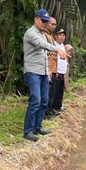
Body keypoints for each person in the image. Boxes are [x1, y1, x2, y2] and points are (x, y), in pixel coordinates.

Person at [23, 9, 68, 141]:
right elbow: (42, 45)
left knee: (44, 101)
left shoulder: (42, 34)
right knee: (35, 100)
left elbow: (44, 55)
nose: (45, 24)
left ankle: (38, 127)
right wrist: (58, 49)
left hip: (43, 72)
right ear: (36, 19)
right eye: (43, 21)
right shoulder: (31, 33)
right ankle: (28, 131)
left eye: (46, 21)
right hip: (32, 71)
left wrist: (48, 71)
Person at [49, 28, 68, 114]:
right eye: (60, 35)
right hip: (56, 72)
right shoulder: (54, 45)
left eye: (63, 35)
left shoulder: (62, 46)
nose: (62, 37)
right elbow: (52, 59)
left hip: (62, 72)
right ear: (56, 36)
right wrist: (54, 70)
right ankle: (52, 108)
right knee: (54, 92)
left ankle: (58, 106)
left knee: (60, 91)